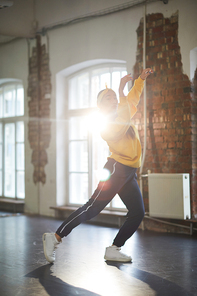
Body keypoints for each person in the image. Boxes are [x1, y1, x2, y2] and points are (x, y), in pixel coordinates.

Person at [42, 68, 153, 263]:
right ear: (100, 106)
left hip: (128, 172)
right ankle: (55, 237)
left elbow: (132, 101)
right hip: (115, 169)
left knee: (138, 212)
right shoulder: (106, 126)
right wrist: (120, 89)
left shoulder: (122, 113)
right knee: (92, 208)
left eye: (114, 97)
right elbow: (125, 114)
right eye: (108, 97)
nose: (114, 99)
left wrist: (140, 80)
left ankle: (114, 248)